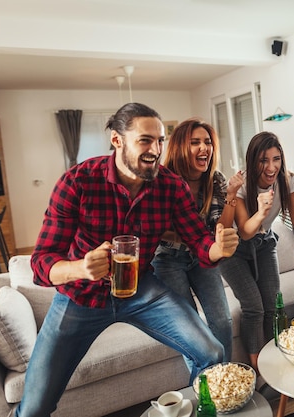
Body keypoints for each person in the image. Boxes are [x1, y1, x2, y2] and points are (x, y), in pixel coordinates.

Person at [14, 103, 240, 417]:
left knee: (212, 353)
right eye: (145, 140)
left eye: (160, 141)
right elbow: (40, 262)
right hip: (80, 298)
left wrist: (218, 247)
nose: (156, 150)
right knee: (34, 408)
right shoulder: (78, 181)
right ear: (117, 140)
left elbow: (198, 240)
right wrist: (81, 267)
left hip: (140, 290)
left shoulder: (170, 186)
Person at [219, 131, 294, 371]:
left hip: (265, 244)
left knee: (273, 305)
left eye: (276, 159)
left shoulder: (287, 181)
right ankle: (259, 370)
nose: (271, 167)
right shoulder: (241, 185)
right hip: (234, 251)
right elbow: (246, 232)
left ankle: (275, 364)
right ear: (252, 161)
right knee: (254, 307)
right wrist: (261, 212)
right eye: (263, 160)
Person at [151, 117, 244, 362]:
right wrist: (196, 236)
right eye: (195, 142)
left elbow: (219, 230)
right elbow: (157, 230)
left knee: (222, 321)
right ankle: (204, 385)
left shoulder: (216, 180)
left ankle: (225, 378)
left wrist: (232, 196)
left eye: (207, 142)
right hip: (168, 260)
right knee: (190, 326)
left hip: (203, 258)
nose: (204, 148)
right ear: (181, 146)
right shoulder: (162, 180)